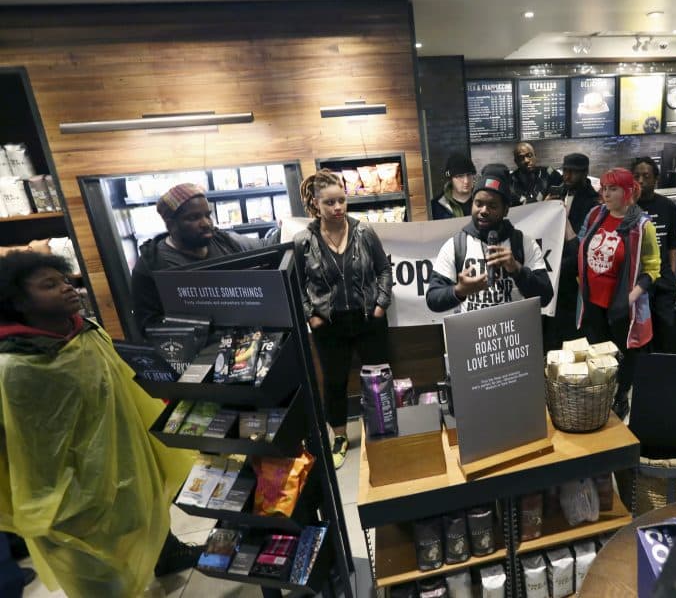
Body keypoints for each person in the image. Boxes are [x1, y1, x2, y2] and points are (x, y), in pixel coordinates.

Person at [0, 251, 192, 598]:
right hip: (64, 497)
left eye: (63, 280)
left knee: (134, 542)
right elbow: (26, 448)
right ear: (18, 302)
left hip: (121, 469)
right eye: (49, 285)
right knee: (96, 578)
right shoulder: (15, 366)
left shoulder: (89, 334)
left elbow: (125, 397)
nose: (66, 288)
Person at [293, 169, 393, 470]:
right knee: (335, 383)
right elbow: (297, 283)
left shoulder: (364, 232)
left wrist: (380, 304)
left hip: (367, 319)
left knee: (378, 378)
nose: (337, 208)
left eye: (341, 201)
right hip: (330, 324)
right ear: (316, 204)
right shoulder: (303, 241)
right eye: (330, 203)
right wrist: (311, 314)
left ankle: (384, 430)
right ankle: (338, 437)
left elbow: (383, 270)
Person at [568, 168, 660, 419]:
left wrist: (628, 298)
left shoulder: (642, 226)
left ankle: (621, 396)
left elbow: (652, 269)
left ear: (628, 192)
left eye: (613, 189)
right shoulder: (596, 214)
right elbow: (581, 245)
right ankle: (603, 393)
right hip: (592, 300)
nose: (606, 194)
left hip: (622, 304)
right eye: (604, 188)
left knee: (625, 353)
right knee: (599, 351)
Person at [130, 183, 269, 335]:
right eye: (193, 217)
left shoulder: (225, 241)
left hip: (248, 346)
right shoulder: (150, 266)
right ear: (170, 225)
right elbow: (148, 326)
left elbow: (267, 246)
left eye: (207, 215)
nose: (206, 223)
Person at [426, 163, 553, 313]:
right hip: (474, 333)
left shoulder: (524, 243)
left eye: (492, 206)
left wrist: (517, 270)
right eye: (478, 204)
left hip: (513, 331)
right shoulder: (456, 245)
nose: (483, 211)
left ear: (505, 210)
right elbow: (433, 299)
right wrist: (459, 290)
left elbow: (545, 297)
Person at [543, 153, 601, 351]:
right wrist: (544, 207)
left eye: (572, 172)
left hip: (573, 273)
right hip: (553, 266)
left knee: (573, 332)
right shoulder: (559, 191)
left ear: (585, 173)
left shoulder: (593, 203)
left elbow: (585, 245)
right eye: (564, 170)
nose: (566, 176)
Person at [632, 157, 676, 352]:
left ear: (656, 179)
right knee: (641, 334)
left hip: (663, 278)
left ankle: (662, 369)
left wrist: (672, 272)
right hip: (638, 279)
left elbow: (673, 242)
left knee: (664, 329)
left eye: (646, 176)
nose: (641, 181)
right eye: (636, 176)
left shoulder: (667, 206)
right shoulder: (627, 208)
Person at [431, 152, 476, 219]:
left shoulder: (483, 200)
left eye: (469, 175)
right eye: (460, 176)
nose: (466, 181)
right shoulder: (437, 206)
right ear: (450, 179)